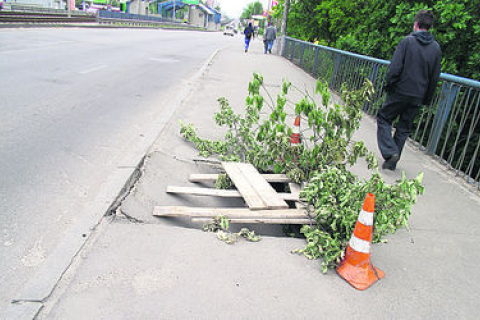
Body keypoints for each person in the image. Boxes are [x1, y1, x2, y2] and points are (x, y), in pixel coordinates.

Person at [377, 10, 442, 170]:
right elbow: (434, 78)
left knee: (384, 118)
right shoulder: (436, 49)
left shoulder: (407, 42)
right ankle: (392, 162)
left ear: (416, 24)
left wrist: (389, 84)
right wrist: (426, 98)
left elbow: (395, 68)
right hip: (418, 95)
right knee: (404, 128)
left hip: (400, 91)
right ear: (430, 26)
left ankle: (390, 151)